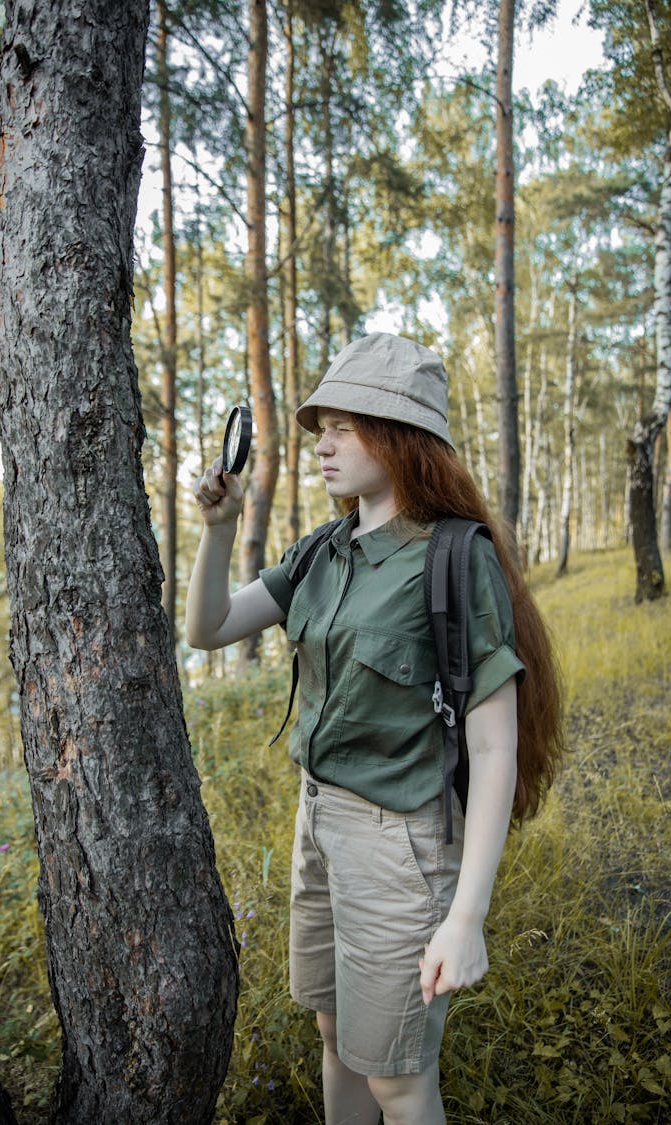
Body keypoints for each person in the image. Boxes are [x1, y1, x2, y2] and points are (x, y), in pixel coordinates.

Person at [186, 332, 563, 1125]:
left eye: (343, 426)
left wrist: (466, 917)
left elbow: (496, 747)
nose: (321, 443)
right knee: (333, 1031)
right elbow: (211, 626)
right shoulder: (326, 549)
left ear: (399, 436)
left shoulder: (455, 560)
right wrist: (219, 530)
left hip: (401, 845)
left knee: (396, 1074)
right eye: (319, 425)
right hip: (317, 822)